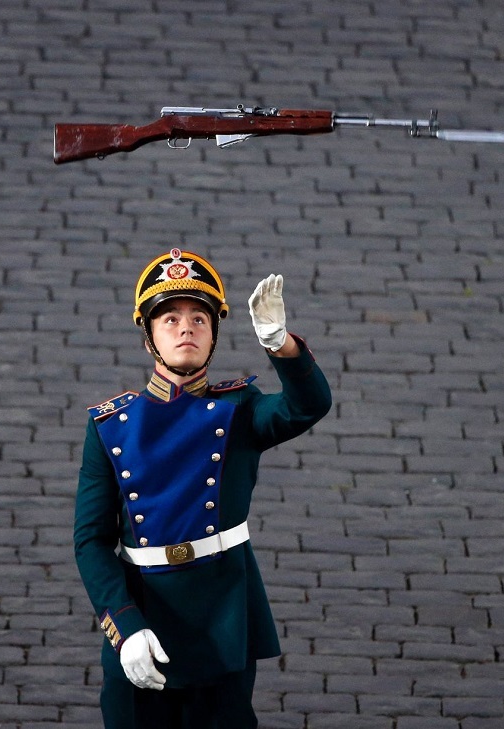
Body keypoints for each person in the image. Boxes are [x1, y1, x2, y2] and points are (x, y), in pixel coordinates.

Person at [74, 248, 332, 728]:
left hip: (222, 614)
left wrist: (281, 345)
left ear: (213, 334)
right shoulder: (110, 425)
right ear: (149, 335)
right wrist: (125, 627)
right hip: (145, 612)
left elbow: (306, 406)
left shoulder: (239, 410)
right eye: (169, 318)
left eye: (199, 317)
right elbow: (90, 542)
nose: (186, 327)